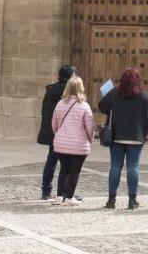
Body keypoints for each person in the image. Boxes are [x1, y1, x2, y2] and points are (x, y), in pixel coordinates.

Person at [98, 67, 148, 210]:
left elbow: (101, 106)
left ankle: (111, 200)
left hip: (117, 136)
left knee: (115, 166)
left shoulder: (114, 93)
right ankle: (132, 200)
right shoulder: (144, 96)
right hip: (136, 137)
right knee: (133, 167)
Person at [50, 74, 95, 206]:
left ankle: (59, 197)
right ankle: (69, 197)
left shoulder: (60, 104)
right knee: (74, 171)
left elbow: (54, 124)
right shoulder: (84, 106)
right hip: (79, 145)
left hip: (61, 144)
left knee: (63, 169)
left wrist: (60, 136)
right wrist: (90, 138)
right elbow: (90, 126)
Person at [37, 65, 75, 199]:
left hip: (52, 131)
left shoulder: (51, 90)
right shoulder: (66, 93)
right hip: (62, 132)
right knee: (67, 164)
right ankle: (65, 192)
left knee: (51, 161)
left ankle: (46, 190)